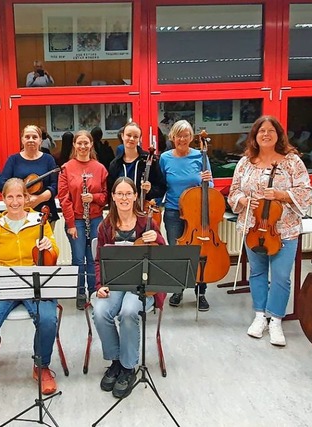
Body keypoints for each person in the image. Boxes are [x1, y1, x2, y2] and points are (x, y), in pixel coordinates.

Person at [228, 116, 312, 347]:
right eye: (261, 131)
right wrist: (244, 200)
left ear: (278, 135)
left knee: (281, 276)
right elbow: (233, 191)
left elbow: (305, 192)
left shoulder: (292, 162)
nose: (265, 134)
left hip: (284, 229)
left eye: (270, 131)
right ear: (254, 136)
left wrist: (280, 195)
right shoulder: (245, 162)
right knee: (257, 272)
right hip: (253, 227)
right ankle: (259, 316)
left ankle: (275, 319)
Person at [0, 178, 60, 395]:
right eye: (9, 197)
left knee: (48, 319)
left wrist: (49, 246)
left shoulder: (41, 221)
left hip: (35, 284)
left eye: (19, 196)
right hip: (5, 284)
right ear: (3, 199)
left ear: (27, 198)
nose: (14, 202)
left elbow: (54, 253)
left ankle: (41, 366)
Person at [93, 177, 166, 399]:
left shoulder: (148, 222)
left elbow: (163, 258)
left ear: (135, 196)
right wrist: (99, 285)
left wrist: (159, 239)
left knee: (128, 311)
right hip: (115, 282)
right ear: (113, 197)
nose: (124, 198)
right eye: (119, 194)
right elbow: (98, 261)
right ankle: (116, 361)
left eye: (128, 194)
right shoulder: (105, 226)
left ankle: (128, 367)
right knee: (100, 311)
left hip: (142, 285)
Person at [160, 120, 213, 311]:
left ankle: (201, 292)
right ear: (172, 137)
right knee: (177, 253)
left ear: (192, 138)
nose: (182, 139)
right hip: (174, 211)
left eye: (186, 135)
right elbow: (161, 185)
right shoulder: (165, 158)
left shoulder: (201, 156)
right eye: (179, 135)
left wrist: (207, 181)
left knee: (200, 252)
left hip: (198, 213)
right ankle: (178, 289)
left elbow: (211, 187)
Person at [58, 130, 108, 310]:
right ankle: (80, 293)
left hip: (95, 219)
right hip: (76, 220)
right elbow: (64, 198)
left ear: (91, 144)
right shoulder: (66, 167)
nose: (83, 146)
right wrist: (71, 224)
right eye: (79, 143)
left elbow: (105, 196)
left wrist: (93, 197)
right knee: (78, 258)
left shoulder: (100, 168)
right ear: (74, 145)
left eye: (86, 143)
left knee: (95, 257)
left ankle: (95, 291)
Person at [0, 125, 59, 225]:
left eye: (34, 137)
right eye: (27, 137)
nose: (31, 140)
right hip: (19, 210)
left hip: (45, 211)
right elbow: (1, 183)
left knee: (44, 240)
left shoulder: (48, 159)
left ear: (40, 140)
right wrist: (19, 196)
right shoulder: (13, 160)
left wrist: (38, 199)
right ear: (22, 140)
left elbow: (55, 186)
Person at [107, 122, 165, 205]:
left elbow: (161, 188)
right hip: (121, 210)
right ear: (122, 136)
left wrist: (150, 190)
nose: (131, 139)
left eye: (135, 136)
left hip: (142, 208)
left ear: (139, 139)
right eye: (128, 135)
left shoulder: (150, 160)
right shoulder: (115, 164)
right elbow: (111, 192)